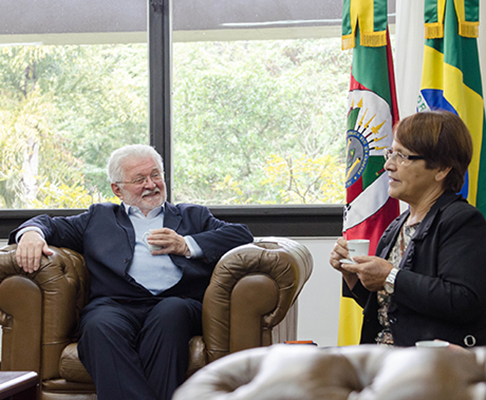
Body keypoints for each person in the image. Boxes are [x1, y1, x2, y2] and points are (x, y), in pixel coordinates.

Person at [9, 144, 254, 400]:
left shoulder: (192, 215)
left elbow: (241, 234)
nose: (151, 184)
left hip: (177, 302)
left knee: (170, 314)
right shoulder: (99, 218)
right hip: (115, 304)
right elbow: (47, 224)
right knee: (98, 326)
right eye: (140, 179)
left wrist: (186, 245)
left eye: (155, 175)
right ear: (117, 189)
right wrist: (30, 234)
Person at [330, 110, 486, 348]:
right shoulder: (398, 224)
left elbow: (464, 302)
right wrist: (352, 276)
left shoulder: (462, 221)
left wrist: (390, 276)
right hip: (383, 357)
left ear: (441, 169)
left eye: (402, 156)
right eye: (391, 153)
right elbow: (390, 310)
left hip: (430, 365)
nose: (388, 165)